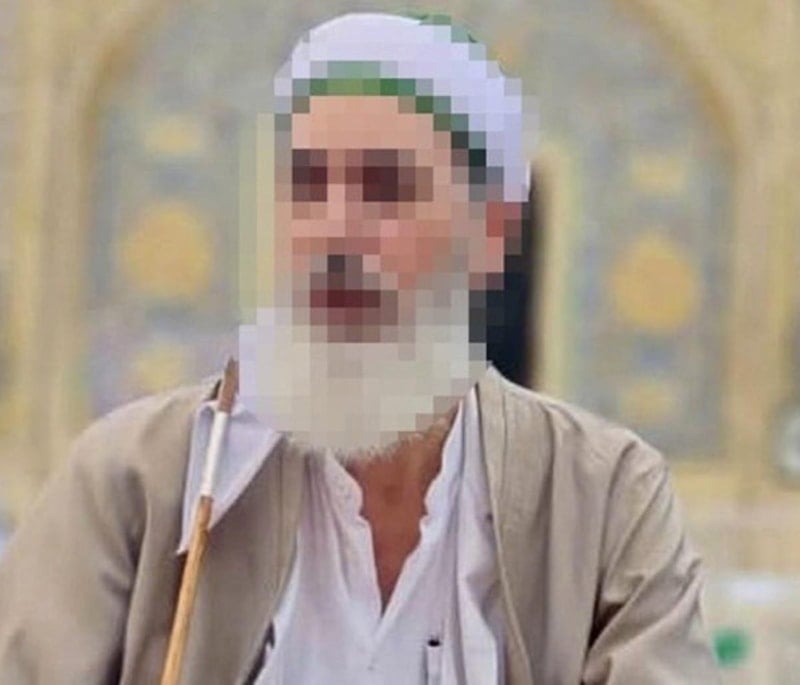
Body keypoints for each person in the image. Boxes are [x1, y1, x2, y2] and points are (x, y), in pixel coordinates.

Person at [0, 12, 720, 684]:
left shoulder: (605, 498)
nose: (334, 232)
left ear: (492, 234)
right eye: (308, 186)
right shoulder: (138, 482)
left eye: (387, 188)